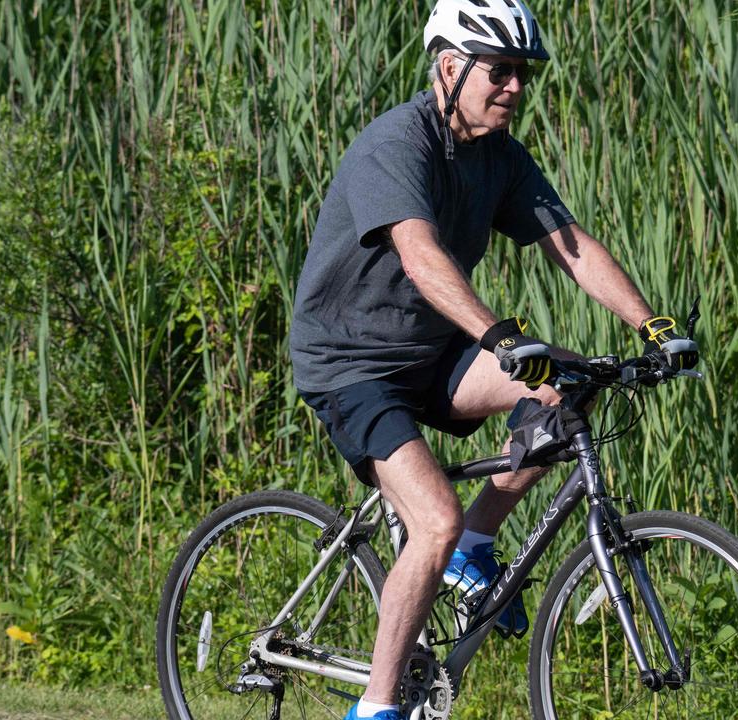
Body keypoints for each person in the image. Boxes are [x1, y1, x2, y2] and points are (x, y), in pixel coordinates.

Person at [288, 1, 697, 718]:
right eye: (499, 71)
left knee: (565, 391)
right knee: (432, 520)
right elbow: (420, 254)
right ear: (450, 68)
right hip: (352, 365)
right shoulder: (396, 145)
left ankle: (477, 545)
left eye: (522, 75)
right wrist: (496, 334)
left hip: (430, 355)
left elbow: (569, 244)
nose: (514, 87)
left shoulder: (500, 158)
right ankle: (377, 707)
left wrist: (652, 325)